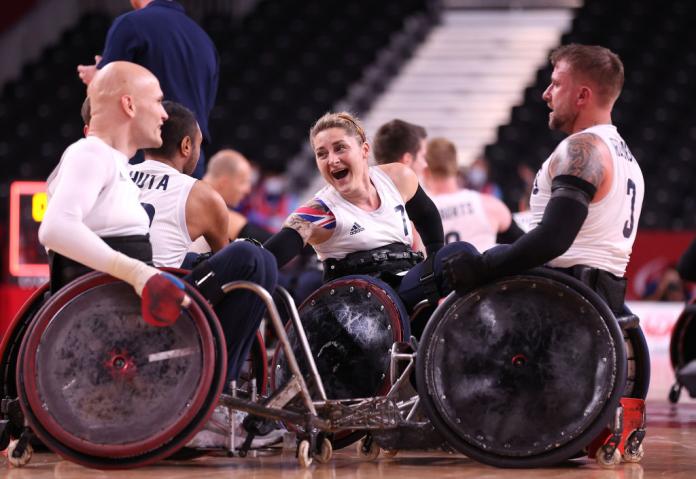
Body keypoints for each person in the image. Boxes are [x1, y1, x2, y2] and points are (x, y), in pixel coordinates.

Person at [40, 62, 276, 389]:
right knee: (249, 259)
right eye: (156, 101)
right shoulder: (91, 153)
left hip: (126, 302)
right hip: (121, 314)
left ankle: (214, 392)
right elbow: (54, 230)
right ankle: (215, 395)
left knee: (249, 257)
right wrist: (140, 274)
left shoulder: (116, 165)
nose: (164, 115)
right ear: (129, 105)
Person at [444, 44, 645, 316]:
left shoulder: (583, 149)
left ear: (582, 95)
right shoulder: (626, 158)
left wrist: (482, 266)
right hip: (602, 300)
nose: (546, 94)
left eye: (556, 84)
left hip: (564, 303)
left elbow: (553, 239)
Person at [263, 112, 470, 321]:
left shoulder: (398, 178)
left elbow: (427, 215)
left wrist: (433, 260)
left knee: (459, 253)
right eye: (322, 153)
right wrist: (246, 260)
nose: (332, 160)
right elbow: (268, 256)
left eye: (340, 147)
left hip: (407, 282)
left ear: (364, 150)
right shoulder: (320, 211)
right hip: (360, 308)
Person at [77, 0, 219, 179]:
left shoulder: (131, 23)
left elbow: (106, 96)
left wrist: (96, 80)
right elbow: (207, 104)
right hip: (190, 156)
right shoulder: (205, 40)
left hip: (142, 153)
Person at [129, 101, 229, 267]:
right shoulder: (202, 195)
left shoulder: (116, 172)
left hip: (92, 286)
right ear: (186, 145)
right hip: (153, 289)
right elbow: (226, 265)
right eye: (199, 144)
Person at [423, 137, 524, 251]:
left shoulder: (418, 214)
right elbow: (525, 247)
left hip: (439, 267)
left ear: (426, 170)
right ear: (456, 166)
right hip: (485, 267)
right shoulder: (489, 205)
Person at [202, 149, 272, 243]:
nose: (247, 190)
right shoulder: (201, 204)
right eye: (243, 182)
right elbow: (237, 226)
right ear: (224, 183)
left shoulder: (198, 194)